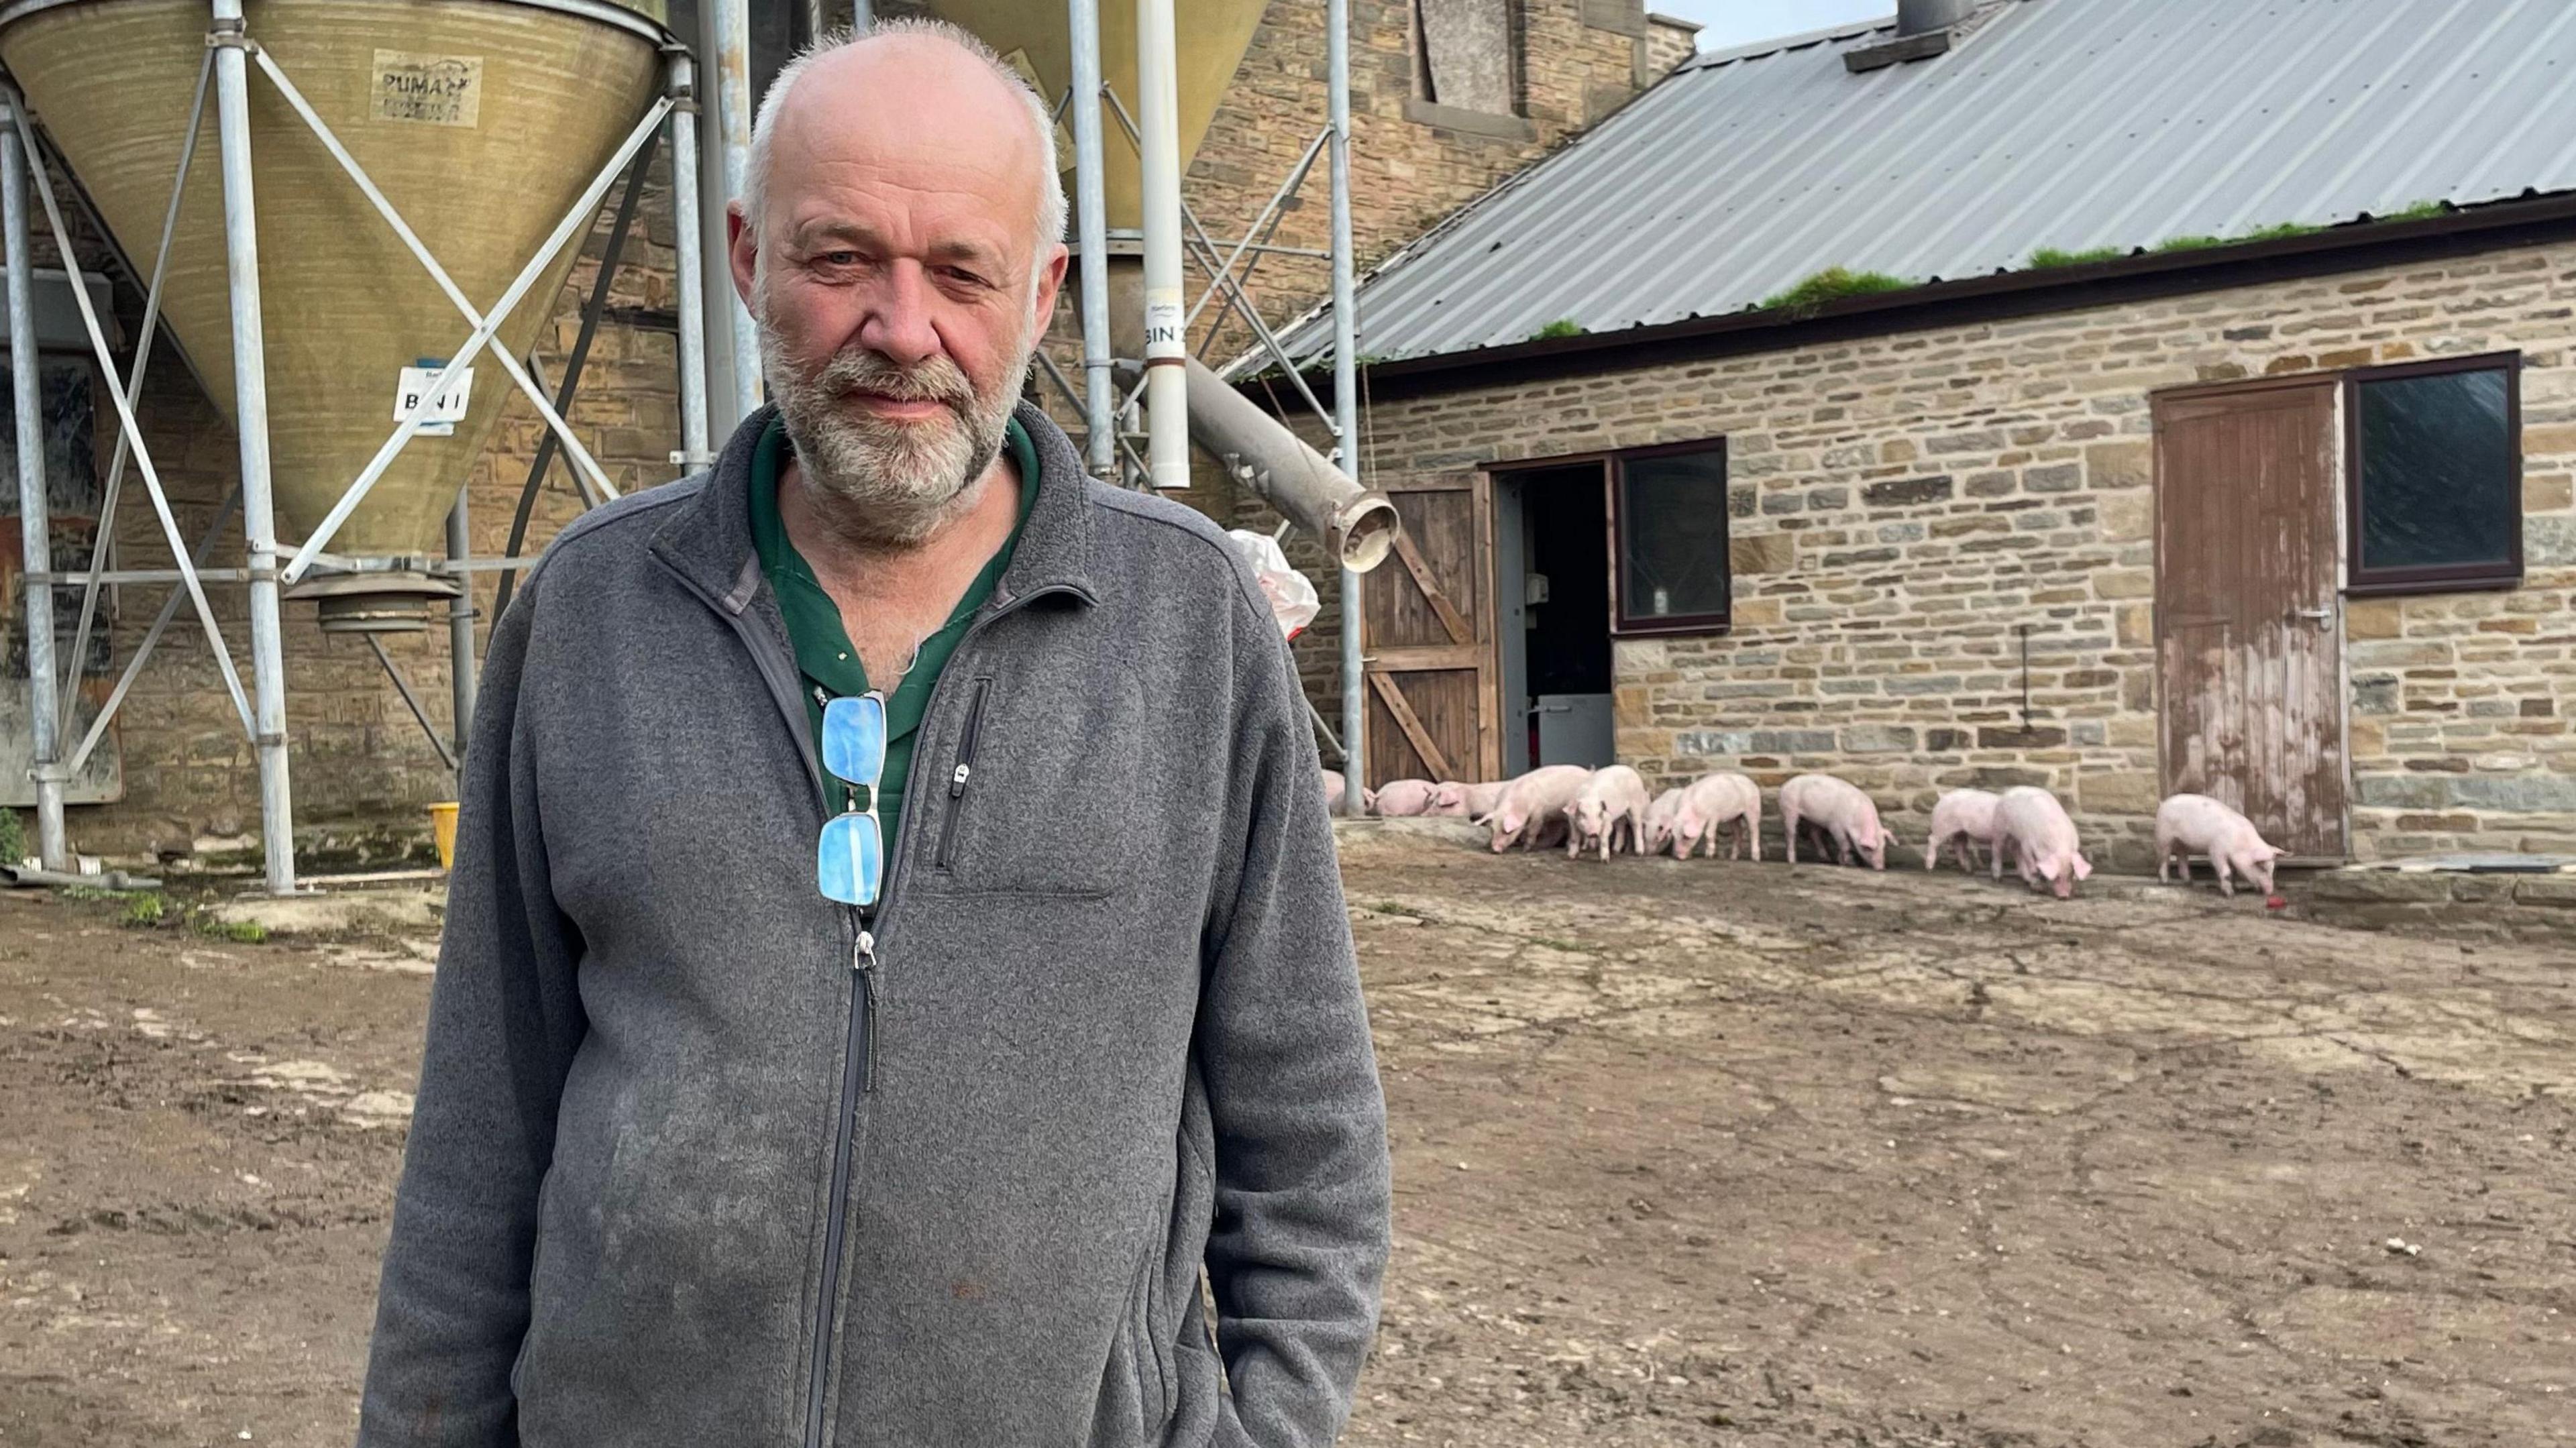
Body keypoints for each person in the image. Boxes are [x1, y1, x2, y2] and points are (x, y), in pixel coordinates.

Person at [354, 21, 1389, 1448]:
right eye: (842, 259)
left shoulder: (1191, 629)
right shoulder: (590, 613)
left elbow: (1312, 1140)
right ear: (747, 259)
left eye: (961, 272)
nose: (904, 330)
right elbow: (483, 1132)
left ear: (1043, 294)